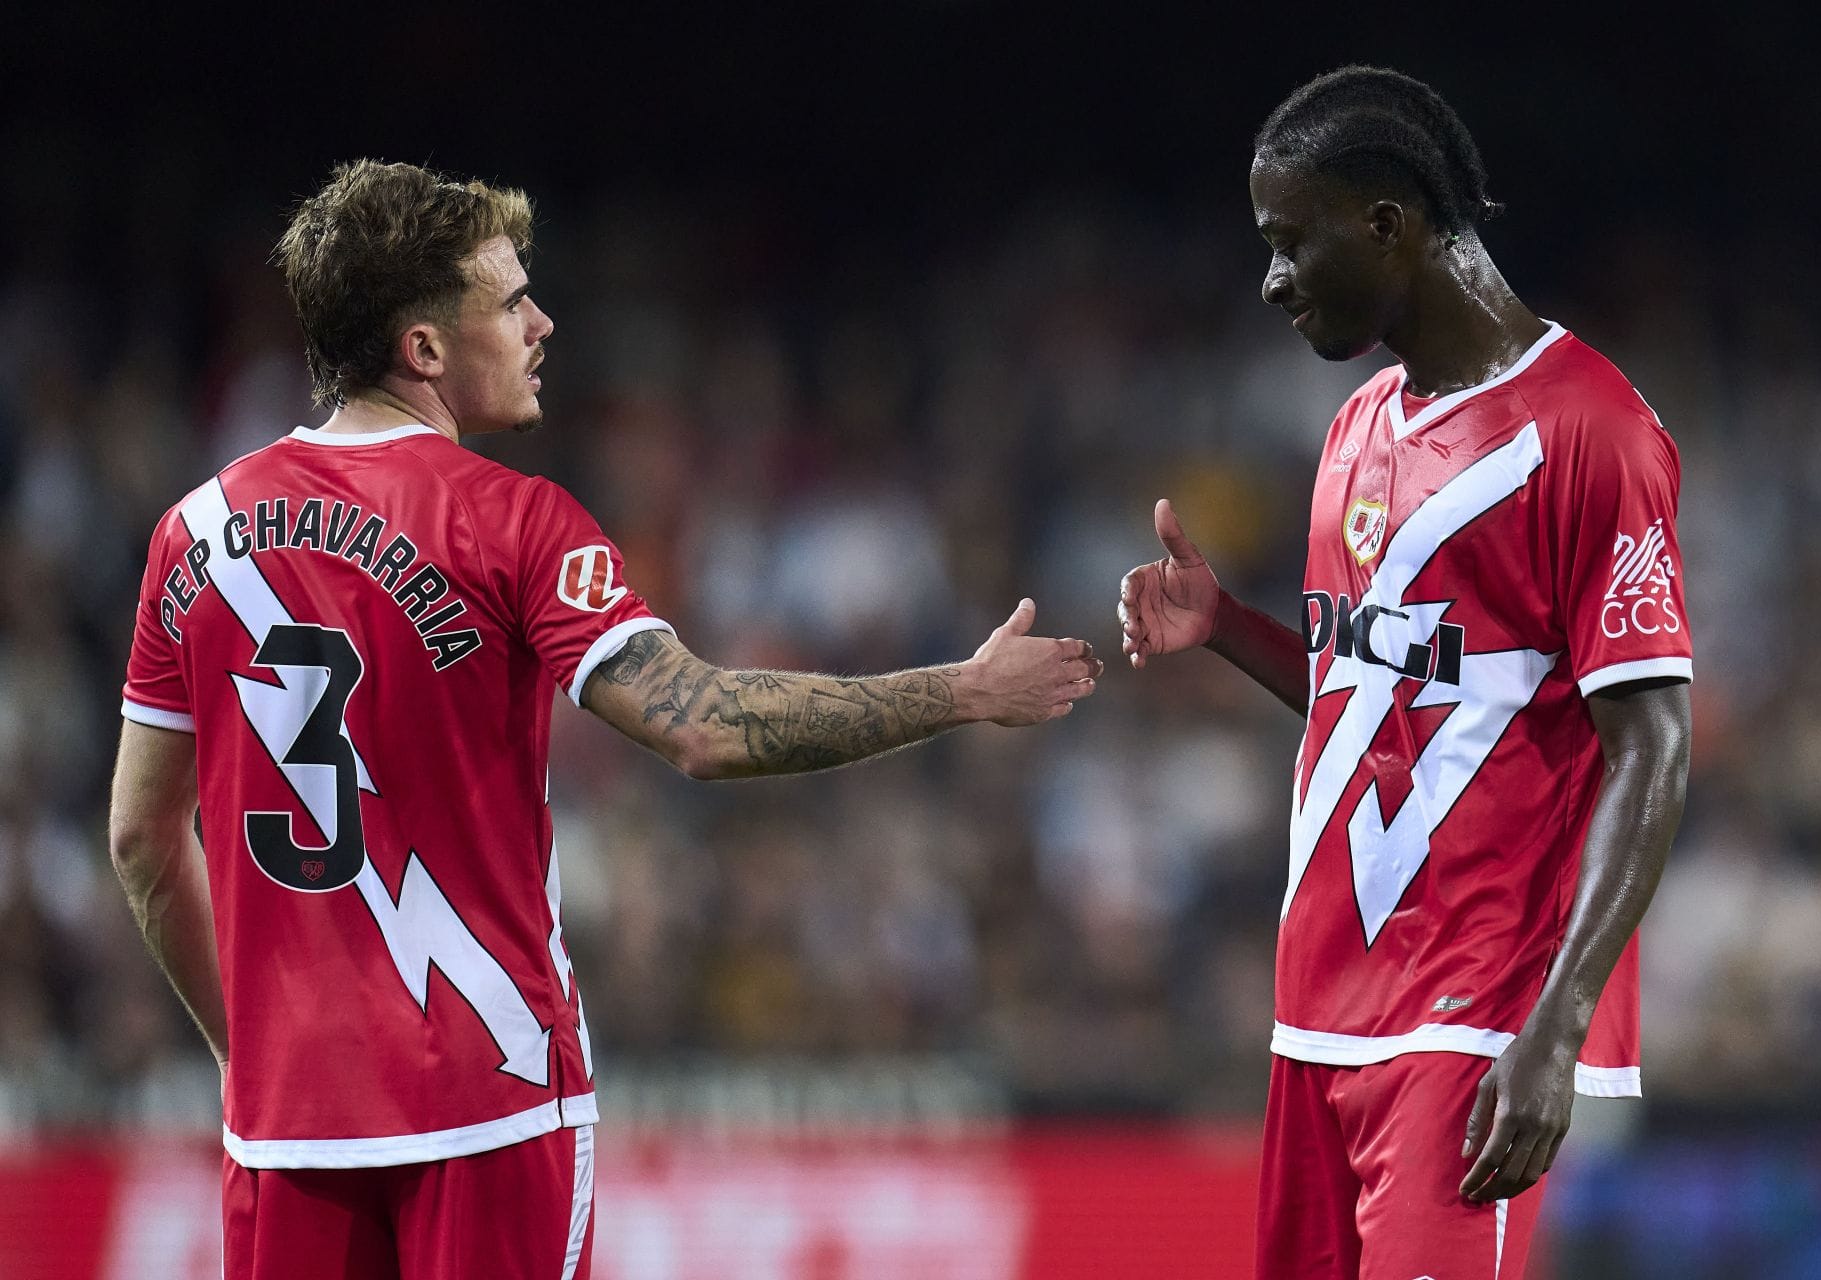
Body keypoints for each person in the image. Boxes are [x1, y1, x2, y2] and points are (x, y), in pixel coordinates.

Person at [108, 158, 1100, 1280]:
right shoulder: (513, 520)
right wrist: (959, 691)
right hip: (489, 1105)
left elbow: (145, 840)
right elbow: (704, 725)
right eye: (509, 300)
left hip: (287, 1129)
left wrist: (250, 1054)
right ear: (424, 348)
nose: (542, 322)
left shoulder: (189, 537)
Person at [1117, 67, 1692, 1279]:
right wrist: (1224, 623)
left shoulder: (1592, 432)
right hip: (1315, 1015)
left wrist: (1558, 1023)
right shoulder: (1358, 424)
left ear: (1385, 223)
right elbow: (1367, 701)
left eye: (1289, 242)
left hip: (1471, 1025)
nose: (1272, 281)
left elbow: (1653, 740)